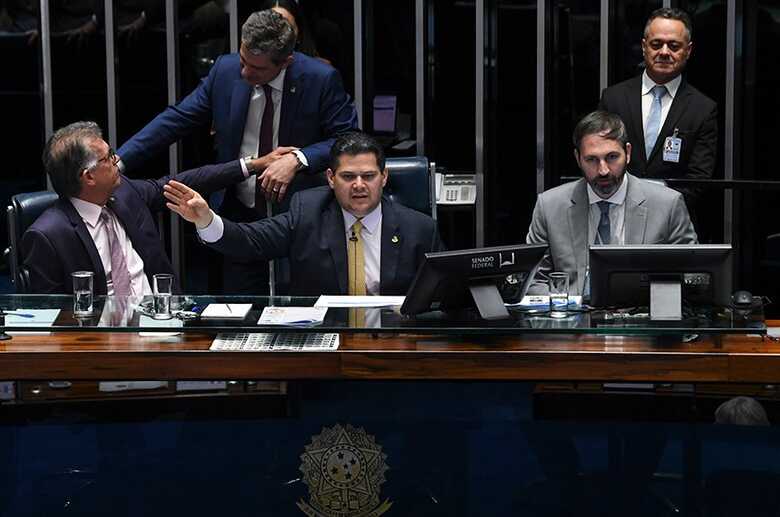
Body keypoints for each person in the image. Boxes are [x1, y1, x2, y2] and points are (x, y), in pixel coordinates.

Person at [116, 8, 358, 294]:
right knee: (242, 305)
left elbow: (347, 138)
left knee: (302, 305)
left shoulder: (320, 78)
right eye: (243, 61)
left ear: (286, 62)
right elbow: (178, 118)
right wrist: (120, 159)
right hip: (240, 213)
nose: (245, 73)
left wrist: (299, 158)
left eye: (257, 69)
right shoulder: (225, 70)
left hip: (300, 216)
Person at [164, 132, 443, 296]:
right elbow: (250, 241)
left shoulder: (419, 228)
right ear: (331, 178)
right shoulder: (308, 212)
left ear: (384, 177)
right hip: (324, 344)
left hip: (394, 344)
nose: (359, 185)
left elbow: (444, 292)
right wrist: (206, 219)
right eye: (348, 177)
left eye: (368, 176)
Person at [22, 121, 263, 295]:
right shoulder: (48, 236)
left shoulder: (125, 192)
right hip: (103, 341)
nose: (117, 160)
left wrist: (251, 166)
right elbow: (53, 317)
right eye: (108, 157)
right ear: (89, 177)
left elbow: (182, 183)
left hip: (164, 322)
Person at [526, 110, 698, 295]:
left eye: (612, 157)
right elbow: (532, 280)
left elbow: (693, 274)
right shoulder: (549, 206)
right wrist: (565, 303)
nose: (603, 170)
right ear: (578, 158)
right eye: (591, 160)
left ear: (628, 153)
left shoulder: (668, 204)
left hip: (641, 309)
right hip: (572, 310)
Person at [598, 7, 717, 209]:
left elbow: (698, 179)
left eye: (674, 46)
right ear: (644, 46)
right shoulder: (613, 99)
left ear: (688, 50)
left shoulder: (703, 109)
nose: (664, 52)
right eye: (656, 44)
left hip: (673, 219)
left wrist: (657, 210)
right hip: (616, 212)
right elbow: (599, 157)